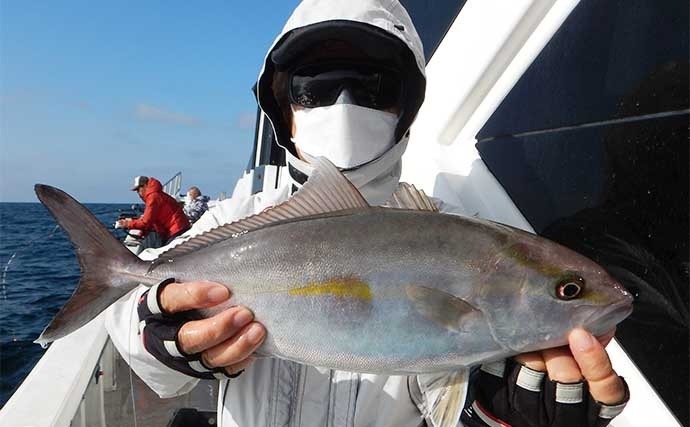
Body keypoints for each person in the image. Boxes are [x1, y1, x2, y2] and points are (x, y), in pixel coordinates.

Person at [105, 1, 629, 426]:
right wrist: (160, 336)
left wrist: (495, 417)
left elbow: (443, 399)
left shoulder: (447, 228)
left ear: (407, 109)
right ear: (282, 107)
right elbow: (134, 308)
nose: (344, 105)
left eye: (374, 87)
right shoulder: (239, 221)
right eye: (314, 87)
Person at [116, 175, 191, 245]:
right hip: (177, 228)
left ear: (145, 186)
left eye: (138, 189)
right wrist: (144, 232)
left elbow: (146, 222)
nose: (138, 193)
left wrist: (126, 224)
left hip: (176, 230)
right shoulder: (155, 195)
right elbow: (152, 220)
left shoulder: (153, 198)